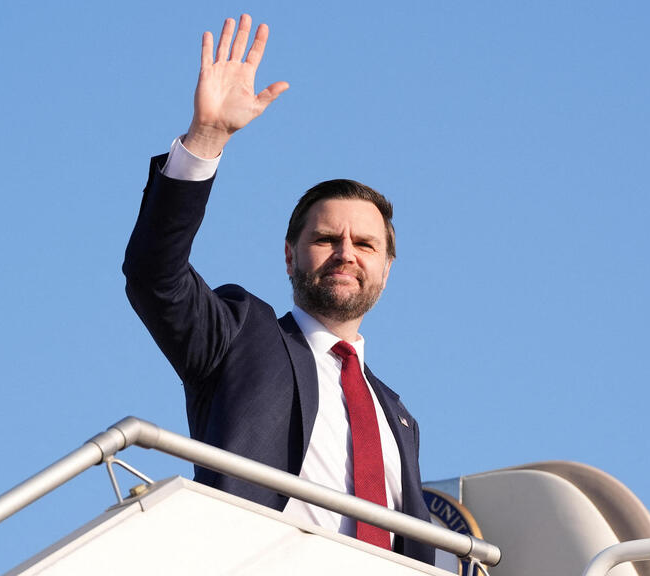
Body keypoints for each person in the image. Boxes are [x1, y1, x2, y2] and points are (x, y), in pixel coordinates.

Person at [123, 14, 434, 564]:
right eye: (326, 239)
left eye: (365, 244)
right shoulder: (241, 336)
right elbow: (155, 275)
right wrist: (206, 138)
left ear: (387, 269)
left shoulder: (398, 417)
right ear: (289, 256)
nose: (346, 253)